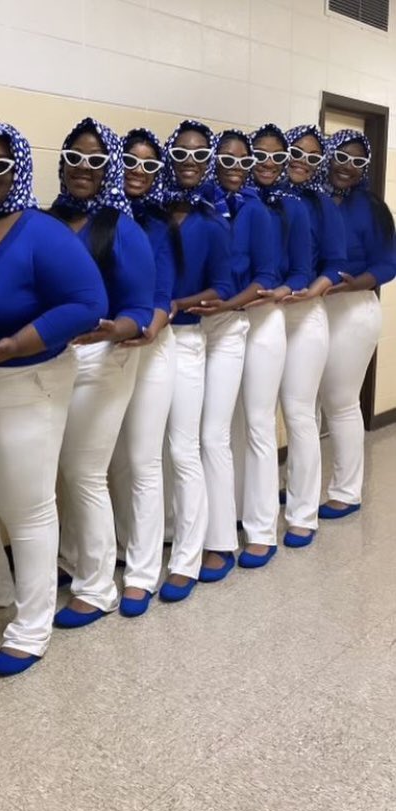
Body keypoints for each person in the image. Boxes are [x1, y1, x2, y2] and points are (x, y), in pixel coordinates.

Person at [0, 120, 107, 675]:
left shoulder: (43, 232)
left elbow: (86, 303)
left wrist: (16, 343)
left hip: (29, 382)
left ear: (16, 170)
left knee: (28, 505)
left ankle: (33, 624)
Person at [49, 117, 155, 627]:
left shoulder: (121, 226)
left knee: (85, 472)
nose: (83, 169)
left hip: (104, 360)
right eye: (75, 158)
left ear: (109, 167)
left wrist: (114, 328)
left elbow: (140, 307)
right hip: (55, 360)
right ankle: (75, 559)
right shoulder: (49, 219)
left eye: (96, 161)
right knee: (64, 470)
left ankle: (98, 587)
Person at [196, 129, 282, 570]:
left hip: (247, 321)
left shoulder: (256, 212)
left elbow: (266, 275)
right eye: (225, 160)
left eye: (241, 161)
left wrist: (227, 305)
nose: (234, 168)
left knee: (255, 426)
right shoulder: (200, 207)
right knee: (217, 433)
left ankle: (261, 531)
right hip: (201, 329)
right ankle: (220, 524)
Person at [158, 119, 234, 602]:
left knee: (187, 448)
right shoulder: (150, 214)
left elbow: (224, 288)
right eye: (180, 153)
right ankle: (158, 540)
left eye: (198, 154)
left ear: (208, 162)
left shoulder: (212, 222)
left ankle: (191, 555)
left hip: (185, 341)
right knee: (148, 456)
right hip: (140, 344)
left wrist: (177, 306)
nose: (189, 161)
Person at [108, 128, 177, 617]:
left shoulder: (159, 223)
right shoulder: (94, 218)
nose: (138, 171)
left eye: (150, 165)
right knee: (106, 463)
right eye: (130, 161)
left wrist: (148, 329)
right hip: (104, 350)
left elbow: (164, 293)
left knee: (143, 460)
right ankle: (113, 548)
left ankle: (143, 571)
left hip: (150, 345)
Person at [251, 124, 323, 550]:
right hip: (249, 320)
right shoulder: (235, 202)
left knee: (297, 412)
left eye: (277, 156)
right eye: (259, 155)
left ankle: (301, 514)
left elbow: (307, 267)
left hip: (300, 315)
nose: (269, 162)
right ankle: (250, 511)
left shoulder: (299, 206)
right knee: (252, 420)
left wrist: (293, 289)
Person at [318, 129, 396, 518]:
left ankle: (346, 492)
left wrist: (358, 283)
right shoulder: (311, 199)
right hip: (314, 310)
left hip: (354, 310)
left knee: (341, 401)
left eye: (357, 161)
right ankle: (302, 484)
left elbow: (387, 263)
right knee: (306, 402)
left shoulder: (371, 208)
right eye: (341, 157)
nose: (347, 167)